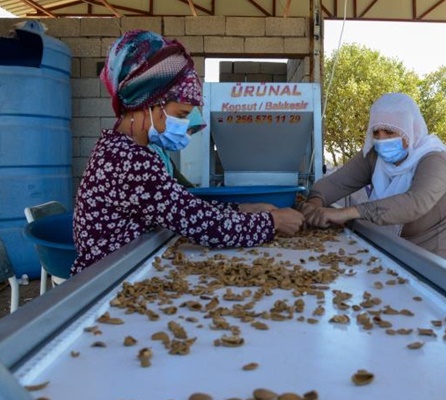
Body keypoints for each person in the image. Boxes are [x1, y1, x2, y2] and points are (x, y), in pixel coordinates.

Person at [71, 30, 303, 274]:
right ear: (150, 102)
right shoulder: (129, 160)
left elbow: (179, 205)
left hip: (123, 268)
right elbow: (203, 226)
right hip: (105, 282)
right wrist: (272, 222)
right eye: (181, 115)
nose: (183, 125)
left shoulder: (120, 149)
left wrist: (242, 209)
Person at [300, 93, 446, 264]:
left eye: (390, 131)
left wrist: (347, 213)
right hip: (385, 255)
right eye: (376, 132)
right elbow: (336, 182)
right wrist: (314, 204)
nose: (381, 139)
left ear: (410, 130)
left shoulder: (434, 159)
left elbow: (416, 203)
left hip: (432, 267)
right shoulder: (375, 157)